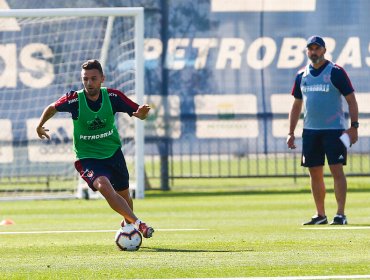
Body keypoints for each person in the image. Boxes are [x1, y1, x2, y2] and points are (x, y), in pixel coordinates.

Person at [36, 59, 154, 238]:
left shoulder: (113, 96)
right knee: (103, 186)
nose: (89, 83)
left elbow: (138, 112)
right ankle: (139, 224)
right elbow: (52, 107)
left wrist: (142, 115)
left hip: (113, 153)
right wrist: (40, 125)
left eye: (93, 79)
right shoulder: (74, 99)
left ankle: (128, 226)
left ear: (102, 79)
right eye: (85, 79)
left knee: (124, 197)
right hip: (87, 157)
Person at [287, 36, 359, 225]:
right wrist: (291, 132)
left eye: (317, 48)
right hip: (311, 132)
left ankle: (340, 214)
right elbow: (296, 105)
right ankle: (320, 214)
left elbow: (351, 99)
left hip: (335, 131)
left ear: (324, 50)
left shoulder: (335, 72)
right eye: (310, 49)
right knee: (314, 172)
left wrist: (354, 127)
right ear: (307, 52)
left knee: (337, 170)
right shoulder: (301, 75)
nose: (314, 52)